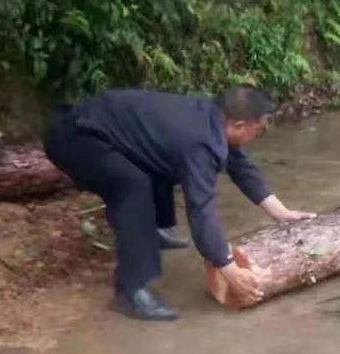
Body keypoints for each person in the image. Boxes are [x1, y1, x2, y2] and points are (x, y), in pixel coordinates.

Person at [44, 84, 312, 320]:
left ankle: (153, 231)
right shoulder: (199, 142)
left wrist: (281, 212)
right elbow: (201, 209)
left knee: (156, 160)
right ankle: (130, 291)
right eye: (258, 129)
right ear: (238, 125)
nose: (258, 135)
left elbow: (240, 165)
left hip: (96, 128)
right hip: (77, 138)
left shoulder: (211, 118)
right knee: (132, 186)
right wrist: (227, 267)